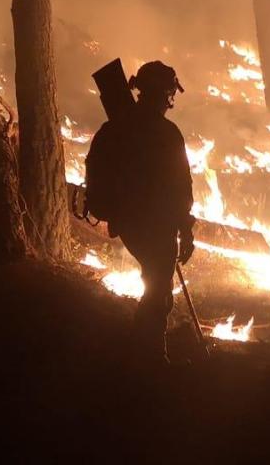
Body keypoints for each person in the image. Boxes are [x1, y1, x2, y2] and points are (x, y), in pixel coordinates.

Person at [84, 61, 196, 364]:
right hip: (155, 223)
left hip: (128, 220)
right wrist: (185, 229)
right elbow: (181, 187)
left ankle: (144, 348)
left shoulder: (114, 128)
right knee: (158, 286)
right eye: (170, 94)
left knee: (157, 283)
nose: (171, 100)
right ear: (165, 94)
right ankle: (149, 355)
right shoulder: (167, 134)